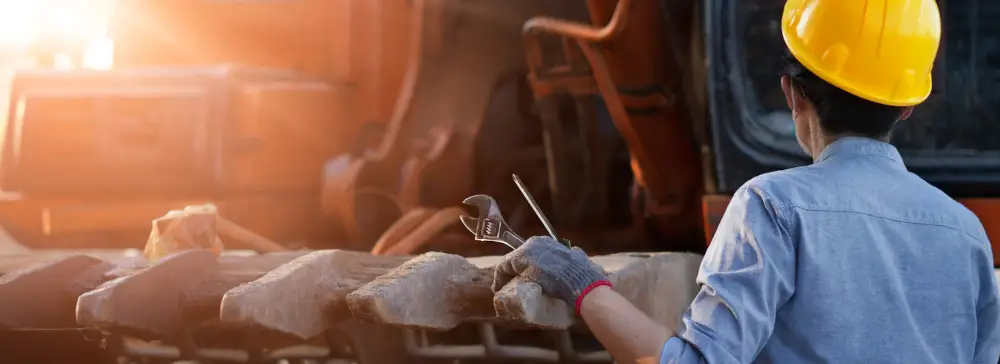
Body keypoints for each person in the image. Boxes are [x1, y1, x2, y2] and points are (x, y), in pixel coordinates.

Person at [490, 0, 1000, 363]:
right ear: (909, 104)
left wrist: (581, 283)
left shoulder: (774, 208)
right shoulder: (967, 235)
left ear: (792, 94)